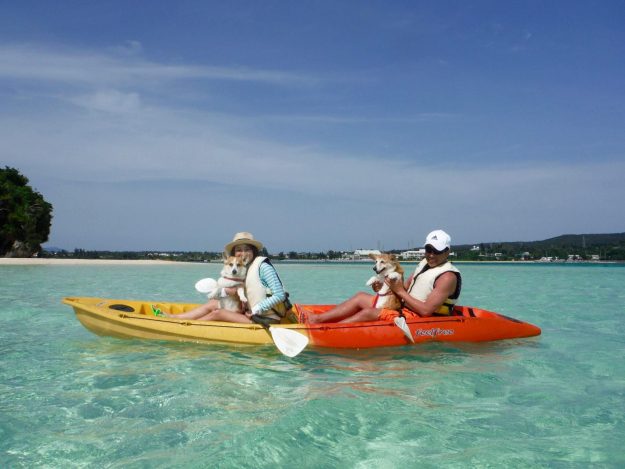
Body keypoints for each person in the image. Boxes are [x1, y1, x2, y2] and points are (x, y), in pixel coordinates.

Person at [307, 229, 461, 324]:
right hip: (403, 308)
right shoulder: (424, 264)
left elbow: (427, 311)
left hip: (419, 319)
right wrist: (384, 290)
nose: (431, 255)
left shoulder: (447, 277)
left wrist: (400, 291)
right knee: (361, 296)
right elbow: (405, 288)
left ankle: (326, 330)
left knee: (368, 313)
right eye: (428, 250)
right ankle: (318, 320)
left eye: (437, 251)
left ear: (447, 252)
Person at [162, 232, 291, 324]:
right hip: (251, 314)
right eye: (239, 250)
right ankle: (175, 318)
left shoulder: (263, 267)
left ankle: (187, 328)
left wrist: (256, 309)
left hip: (265, 319)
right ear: (234, 253)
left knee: (217, 313)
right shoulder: (245, 268)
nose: (243, 253)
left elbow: (279, 295)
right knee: (213, 303)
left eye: (247, 249)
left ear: (254, 251)